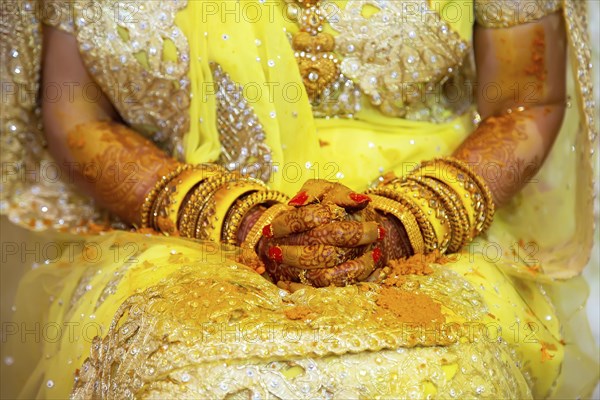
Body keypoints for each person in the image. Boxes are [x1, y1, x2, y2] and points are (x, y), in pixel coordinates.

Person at [1, 0, 598, 398]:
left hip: (432, 213)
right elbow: (73, 113)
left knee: (438, 377)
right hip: (168, 218)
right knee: (184, 376)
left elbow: (526, 97)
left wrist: (409, 219)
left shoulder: (418, 218)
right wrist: (233, 216)